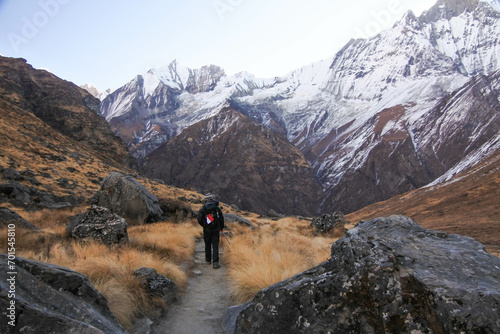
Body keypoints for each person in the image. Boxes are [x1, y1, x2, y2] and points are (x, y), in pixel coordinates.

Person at [197, 194, 225, 269]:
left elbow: (199, 218)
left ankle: (208, 260)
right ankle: (215, 263)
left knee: (207, 244)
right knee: (215, 245)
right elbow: (221, 218)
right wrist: (221, 228)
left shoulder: (203, 208)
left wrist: (204, 225)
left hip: (207, 229)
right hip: (216, 229)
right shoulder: (217, 208)